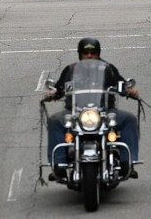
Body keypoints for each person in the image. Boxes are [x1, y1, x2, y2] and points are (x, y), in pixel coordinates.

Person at [44, 38, 140, 180]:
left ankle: (128, 161)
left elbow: (121, 84)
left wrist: (129, 90)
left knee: (129, 119)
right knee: (54, 121)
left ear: (98, 53)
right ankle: (58, 164)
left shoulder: (108, 69)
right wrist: (52, 93)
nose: (89, 55)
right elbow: (59, 88)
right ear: (80, 53)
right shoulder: (71, 70)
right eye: (86, 52)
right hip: (74, 113)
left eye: (93, 52)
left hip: (105, 112)